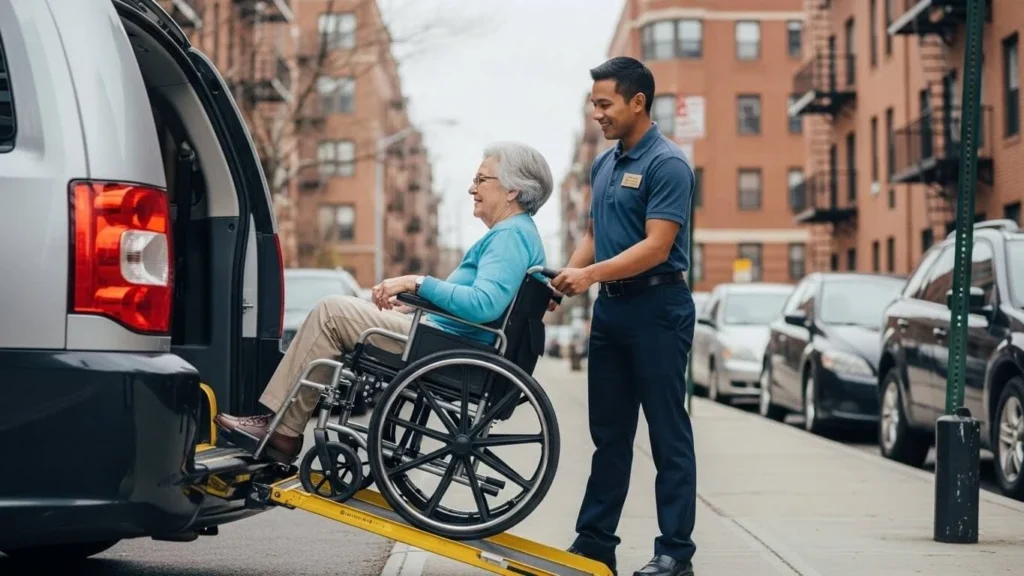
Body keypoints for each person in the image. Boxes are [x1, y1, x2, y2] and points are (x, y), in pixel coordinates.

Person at [215, 141, 554, 465]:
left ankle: (282, 431)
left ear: (512, 190)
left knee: (332, 312)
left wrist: (417, 282)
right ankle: (281, 425)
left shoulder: (510, 235)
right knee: (338, 312)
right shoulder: (517, 234)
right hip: (448, 340)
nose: (472, 188)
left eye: (481, 179)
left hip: (450, 350)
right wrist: (417, 304)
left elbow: (483, 304)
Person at [551, 57, 697, 576]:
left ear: (638, 102)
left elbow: (658, 246)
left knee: (667, 434)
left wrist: (589, 278)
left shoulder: (668, 164)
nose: (598, 114)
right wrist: (562, 283)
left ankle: (675, 555)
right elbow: (592, 235)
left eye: (605, 103)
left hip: (659, 310)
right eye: (594, 104)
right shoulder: (605, 164)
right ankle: (596, 543)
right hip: (611, 313)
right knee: (609, 433)